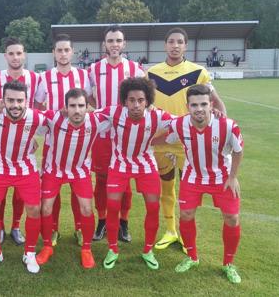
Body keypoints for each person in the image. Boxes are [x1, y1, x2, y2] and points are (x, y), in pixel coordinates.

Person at [147, 27, 226, 251]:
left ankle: (184, 234)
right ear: (165, 45)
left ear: (185, 46)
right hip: (160, 140)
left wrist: (222, 121)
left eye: (179, 42)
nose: (175, 45)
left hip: (188, 142)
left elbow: (215, 101)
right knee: (165, 186)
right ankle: (169, 230)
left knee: (187, 189)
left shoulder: (198, 72)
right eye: (171, 41)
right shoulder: (152, 73)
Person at [168, 84, 244, 284]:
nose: (199, 109)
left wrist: (233, 177)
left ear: (211, 104)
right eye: (194, 105)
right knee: (185, 214)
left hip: (222, 178)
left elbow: (238, 150)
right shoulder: (179, 124)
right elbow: (164, 138)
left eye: (203, 104)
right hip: (193, 177)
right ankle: (192, 257)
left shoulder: (228, 125)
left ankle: (228, 263)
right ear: (188, 106)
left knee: (232, 218)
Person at [97, 77, 173, 270]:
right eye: (132, 100)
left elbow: (182, 125)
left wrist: (157, 142)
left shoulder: (157, 116)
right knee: (112, 207)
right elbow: (85, 116)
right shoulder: (113, 112)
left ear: (147, 101)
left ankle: (148, 250)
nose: (136, 105)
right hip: (119, 165)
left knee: (153, 207)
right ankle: (113, 249)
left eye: (140, 100)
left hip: (146, 165)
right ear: (125, 101)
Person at [36, 88, 110, 269]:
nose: (77, 110)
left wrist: (151, 107)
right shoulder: (54, 118)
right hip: (54, 170)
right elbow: (31, 115)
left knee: (86, 208)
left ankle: (86, 249)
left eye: (81, 106)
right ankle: (47, 246)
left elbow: (118, 110)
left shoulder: (96, 120)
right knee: (45, 208)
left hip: (80, 171)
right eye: (72, 106)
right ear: (65, 107)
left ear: (87, 107)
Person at [0, 81, 47, 274]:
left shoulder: (37, 118)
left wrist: (34, 140)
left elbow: (54, 126)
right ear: (3, 100)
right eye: (10, 100)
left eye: (20, 100)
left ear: (27, 101)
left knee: (34, 210)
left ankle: (30, 252)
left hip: (25, 169)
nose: (15, 105)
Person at [34, 33, 92, 247]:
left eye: (67, 49)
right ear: (54, 53)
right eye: (59, 50)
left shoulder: (83, 75)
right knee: (53, 190)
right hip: (54, 141)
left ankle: (79, 228)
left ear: (72, 52)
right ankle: (54, 229)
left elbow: (88, 103)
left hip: (79, 141)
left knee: (79, 191)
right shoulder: (45, 77)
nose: (63, 53)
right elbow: (38, 107)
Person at [88, 25, 145, 243]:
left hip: (127, 134)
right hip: (102, 134)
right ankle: (102, 221)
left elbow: (145, 98)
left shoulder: (135, 69)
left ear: (124, 44)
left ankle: (124, 222)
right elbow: (88, 97)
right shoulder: (94, 69)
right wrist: (101, 109)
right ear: (105, 44)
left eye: (118, 41)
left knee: (125, 180)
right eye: (110, 41)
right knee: (101, 180)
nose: (114, 45)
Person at [0, 37, 41, 245]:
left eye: (19, 53)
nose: (15, 57)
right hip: (0, 144)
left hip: (25, 144)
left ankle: (16, 226)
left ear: (24, 54)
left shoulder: (35, 79)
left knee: (21, 193)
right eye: (11, 53)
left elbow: (37, 109)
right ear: (5, 56)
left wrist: (32, 136)